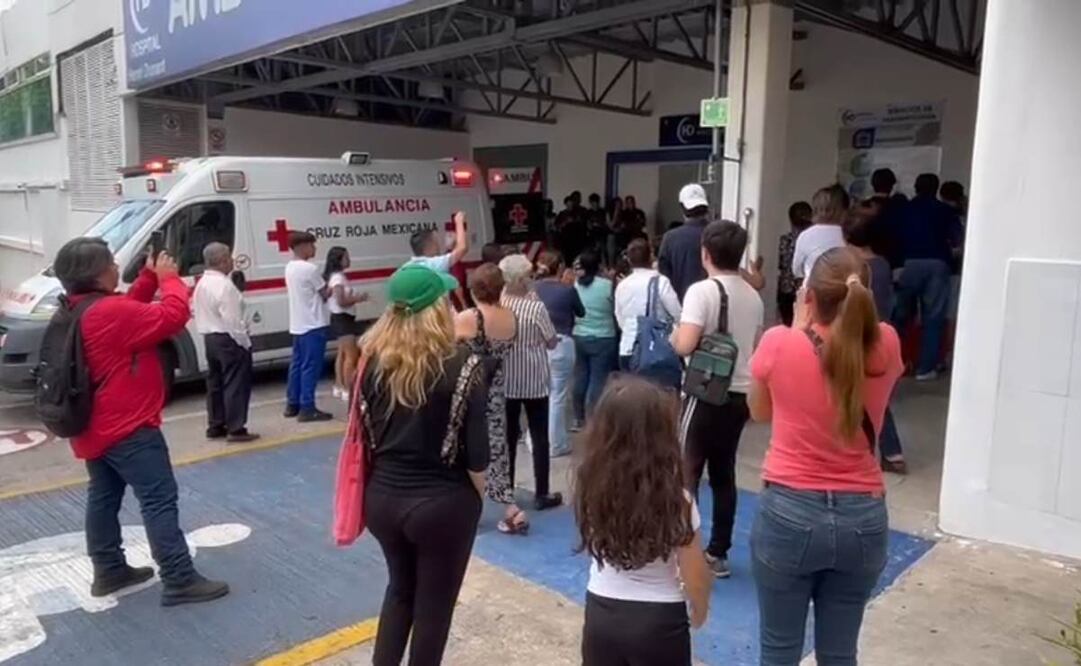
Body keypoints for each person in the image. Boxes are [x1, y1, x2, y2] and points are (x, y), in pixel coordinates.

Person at [747, 246, 903, 666]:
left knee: (778, 651)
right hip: (863, 515)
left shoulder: (780, 343)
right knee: (839, 654)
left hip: (788, 511)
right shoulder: (887, 343)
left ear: (809, 296)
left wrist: (798, 326)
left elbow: (760, 412)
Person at [51, 237, 229, 606]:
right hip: (127, 426)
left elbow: (126, 310)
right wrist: (169, 279)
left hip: (94, 426)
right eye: (111, 263)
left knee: (103, 496)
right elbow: (172, 316)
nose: (118, 268)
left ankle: (109, 568)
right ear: (98, 273)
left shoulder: (77, 308)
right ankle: (179, 577)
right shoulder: (107, 312)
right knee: (158, 499)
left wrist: (148, 277)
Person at [358, 264, 489, 666]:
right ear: (433, 310)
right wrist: (477, 500)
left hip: (381, 498)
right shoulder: (462, 364)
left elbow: (365, 436)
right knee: (434, 608)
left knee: (400, 591)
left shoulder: (372, 364)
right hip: (441, 503)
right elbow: (478, 456)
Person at [575, 376, 712, 666]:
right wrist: (700, 606)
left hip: (602, 610)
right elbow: (694, 569)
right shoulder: (678, 500)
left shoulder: (592, 487)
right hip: (660, 618)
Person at [670, 220, 764, 579]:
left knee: (686, 471)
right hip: (739, 394)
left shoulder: (701, 292)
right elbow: (754, 345)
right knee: (724, 473)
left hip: (703, 393)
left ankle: (683, 550)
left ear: (705, 253)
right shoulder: (752, 295)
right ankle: (718, 552)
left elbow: (686, 343)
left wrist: (675, 335)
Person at [455, 264, 530, 534]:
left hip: (466, 394)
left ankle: (469, 510)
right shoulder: (511, 317)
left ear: (474, 289)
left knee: (464, 451)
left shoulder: (468, 317)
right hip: (496, 393)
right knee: (497, 452)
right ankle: (510, 508)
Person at [844, 206, 907, 474]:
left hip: (861, 338)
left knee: (863, 398)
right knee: (876, 398)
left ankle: (886, 453)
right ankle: (891, 453)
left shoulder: (857, 269)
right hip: (883, 335)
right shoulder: (882, 264)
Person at [499, 253, 564, 511]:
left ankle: (507, 489)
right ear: (521, 279)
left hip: (508, 377)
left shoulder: (500, 303)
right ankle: (542, 492)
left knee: (508, 436)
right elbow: (550, 339)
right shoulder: (535, 306)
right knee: (539, 436)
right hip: (534, 377)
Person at [891, 173, 964, 381]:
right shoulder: (945, 211)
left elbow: (895, 238)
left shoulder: (904, 210)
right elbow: (957, 240)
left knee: (901, 317)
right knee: (933, 318)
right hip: (938, 264)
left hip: (908, 264)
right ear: (936, 189)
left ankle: (896, 363)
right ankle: (925, 369)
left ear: (915, 187)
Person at [192, 242, 258, 443]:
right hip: (227, 337)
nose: (232, 260)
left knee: (216, 383)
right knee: (235, 382)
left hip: (210, 337)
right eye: (229, 257)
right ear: (221, 260)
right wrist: (244, 342)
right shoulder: (225, 286)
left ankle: (216, 423)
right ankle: (236, 427)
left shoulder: (202, 283)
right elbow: (232, 320)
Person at [534, 250, 585, 456]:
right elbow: (581, 312)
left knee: (539, 394)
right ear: (561, 268)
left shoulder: (532, 289)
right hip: (562, 343)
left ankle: (535, 440)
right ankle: (556, 444)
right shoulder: (567, 290)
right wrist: (571, 286)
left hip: (536, 345)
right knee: (558, 396)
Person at [284, 231, 333, 422]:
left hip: (298, 323)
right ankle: (307, 407)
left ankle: (292, 403)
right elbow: (324, 293)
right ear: (302, 247)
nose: (314, 249)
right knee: (310, 366)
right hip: (313, 323)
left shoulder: (289, 267)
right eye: (312, 245)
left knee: (297, 364)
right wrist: (332, 284)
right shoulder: (310, 269)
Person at [614, 239, 681, 370]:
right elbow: (677, 314)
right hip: (655, 350)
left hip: (627, 347)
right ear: (651, 256)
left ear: (629, 260)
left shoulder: (622, 285)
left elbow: (619, 317)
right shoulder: (661, 282)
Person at [573, 249, 619, 424]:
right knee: (598, 379)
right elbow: (616, 309)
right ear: (599, 266)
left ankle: (579, 417)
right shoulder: (608, 286)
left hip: (580, 335)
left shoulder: (575, 286)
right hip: (604, 337)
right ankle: (594, 417)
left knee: (581, 376)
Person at [324, 246, 369, 402]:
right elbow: (341, 301)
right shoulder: (338, 279)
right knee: (351, 355)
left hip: (341, 318)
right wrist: (359, 298)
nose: (349, 260)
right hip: (342, 318)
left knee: (342, 353)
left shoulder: (336, 277)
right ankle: (348, 388)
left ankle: (339, 385)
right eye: (346, 257)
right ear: (339, 260)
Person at [658, 184, 711, 301]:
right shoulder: (718, 234)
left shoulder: (670, 238)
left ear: (682, 207)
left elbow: (664, 278)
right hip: (714, 305)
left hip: (680, 306)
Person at [791, 184, 849, 280]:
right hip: (842, 289)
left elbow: (796, 270)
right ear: (843, 211)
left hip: (812, 289)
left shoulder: (805, 235)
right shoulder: (847, 234)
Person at [777, 202, 812, 327]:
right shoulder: (813, 240)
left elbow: (781, 264)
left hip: (786, 288)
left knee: (787, 323)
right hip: (806, 288)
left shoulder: (785, 240)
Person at [863, 168, 907, 267]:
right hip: (893, 258)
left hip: (867, 258)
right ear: (891, 186)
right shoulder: (899, 206)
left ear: (873, 184)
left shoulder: (863, 206)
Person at [555, 195, 589, 266]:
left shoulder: (578, 212)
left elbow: (583, 223)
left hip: (577, 238)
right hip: (566, 238)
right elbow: (557, 226)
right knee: (567, 256)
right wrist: (565, 222)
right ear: (565, 204)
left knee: (577, 256)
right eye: (568, 204)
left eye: (571, 204)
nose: (570, 206)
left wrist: (575, 220)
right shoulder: (562, 214)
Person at [585, 193, 611, 264]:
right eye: (592, 202)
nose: (594, 204)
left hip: (602, 234)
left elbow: (607, 223)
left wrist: (599, 224)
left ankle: (604, 265)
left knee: (602, 250)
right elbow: (588, 225)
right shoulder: (588, 212)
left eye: (595, 202)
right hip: (592, 235)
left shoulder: (603, 211)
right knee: (592, 251)